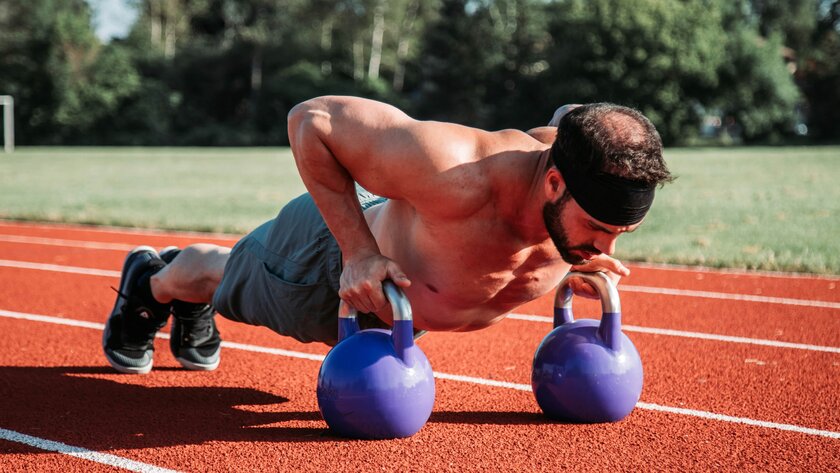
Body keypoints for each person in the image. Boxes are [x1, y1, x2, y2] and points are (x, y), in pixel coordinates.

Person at [102, 96, 673, 374]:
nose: (606, 251)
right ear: (552, 183)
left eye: (622, 233)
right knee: (222, 276)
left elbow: (573, 111)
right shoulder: (457, 170)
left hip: (401, 296)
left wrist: (583, 245)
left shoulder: (578, 168)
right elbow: (312, 121)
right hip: (325, 267)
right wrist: (357, 253)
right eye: (598, 231)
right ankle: (155, 282)